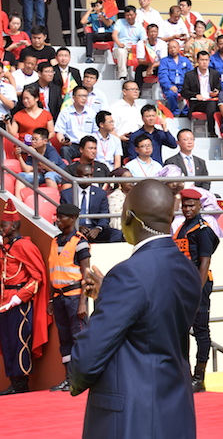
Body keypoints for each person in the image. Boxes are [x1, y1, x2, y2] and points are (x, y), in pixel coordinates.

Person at [69, 179, 201, 436]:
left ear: (129, 217)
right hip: (176, 408)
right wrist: (108, 293)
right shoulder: (188, 269)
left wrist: (75, 378)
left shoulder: (128, 274)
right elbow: (154, 313)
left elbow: (88, 357)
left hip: (132, 415)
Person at [172, 187, 219, 393]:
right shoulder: (182, 227)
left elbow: (204, 262)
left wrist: (196, 290)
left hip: (197, 284)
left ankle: (199, 377)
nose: (187, 209)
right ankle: (184, 373)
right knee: (180, 331)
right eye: (184, 205)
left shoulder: (202, 230)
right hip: (181, 285)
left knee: (201, 330)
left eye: (191, 205)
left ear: (200, 206)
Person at [0, 203, 50, 396]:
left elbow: (38, 276)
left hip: (19, 301)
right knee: (7, 341)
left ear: (13, 226)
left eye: (4, 225)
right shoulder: (5, 247)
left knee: (19, 340)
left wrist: (19, 298)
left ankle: (21, 383)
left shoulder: (25, 246)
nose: (1, 228)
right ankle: (13, 380)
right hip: (4, 302)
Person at [48, 203, 91, 392]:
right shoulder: (55, 241)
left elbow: (87, 275)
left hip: (74, 297)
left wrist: (83, 302)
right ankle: (69, 378)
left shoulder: (80, 241)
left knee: (79, 338)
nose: (57, 219)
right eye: (57, 216)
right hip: (59, 297)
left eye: (61, 217)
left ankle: (83, 378)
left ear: (72, 219)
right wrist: (51, 299)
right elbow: (53, 272)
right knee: (64, 339)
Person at [182, 51, 221, 136]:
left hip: (212, 100)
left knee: (220, 104)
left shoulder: (214, 74)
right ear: (197, 61)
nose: (204, 62)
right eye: (202, 60)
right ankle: (211, 131)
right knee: (211, 105)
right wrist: (195, 95)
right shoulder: (190, 75)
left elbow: (219, 88)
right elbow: (184, 92)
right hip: (197, 102)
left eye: (206, 60)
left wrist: (216, 92)